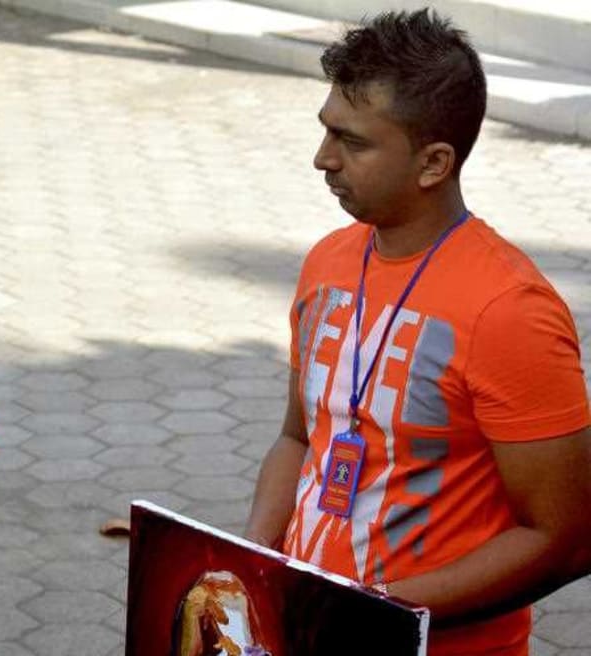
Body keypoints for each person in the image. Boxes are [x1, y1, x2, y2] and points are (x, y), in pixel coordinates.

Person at [244, 9, 591, 656]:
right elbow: (299, 437)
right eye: (325, 131)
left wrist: (383, 611)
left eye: (353, 142)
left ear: (434, 163)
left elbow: (566, 538)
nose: (322, 159)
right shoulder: (326, 263)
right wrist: (256, 556)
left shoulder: (510, 312)